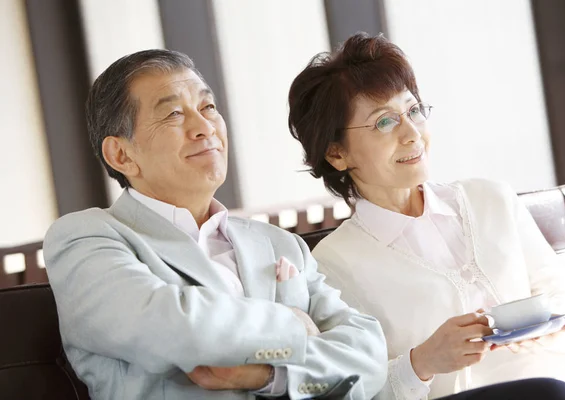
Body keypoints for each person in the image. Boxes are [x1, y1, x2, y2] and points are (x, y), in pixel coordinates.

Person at [42, 49, 389, 400]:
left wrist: (271, 376)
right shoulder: (86, 237)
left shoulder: (280, 244)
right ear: (121, 155)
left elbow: (370, 359)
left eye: (208, 108)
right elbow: (171, 327)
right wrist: (294, 325)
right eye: (174, 113)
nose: (204, 127)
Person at [287, 32, 565, 399]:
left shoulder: (489, 198)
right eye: (385, 122)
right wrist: (422, 362)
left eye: (414, 110)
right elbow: (354, 389)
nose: (411, 134)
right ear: (337, 153)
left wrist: (552, 328)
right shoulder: (332, 264)